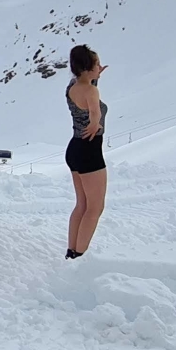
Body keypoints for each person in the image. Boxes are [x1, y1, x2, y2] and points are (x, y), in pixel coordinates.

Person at [65, 45, 106, 258]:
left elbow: (84, 93)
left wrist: (95, 76)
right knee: (95, 208)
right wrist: (95, 123)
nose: (100, 67)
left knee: (81, 204)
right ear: (88, 67)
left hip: (74, 148)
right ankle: (79, 255)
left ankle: (72, 250)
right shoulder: (91, 90)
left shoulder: (72, 85)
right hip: (90, 150)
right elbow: (95, 113)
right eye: (97, 64)